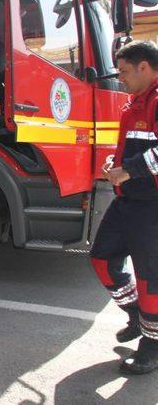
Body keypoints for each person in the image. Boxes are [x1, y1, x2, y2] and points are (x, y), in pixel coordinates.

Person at [90, 40, 158, 375]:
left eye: (125, 72)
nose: (121, 79)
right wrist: (112, 163)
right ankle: (136, 315)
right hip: (127, 198)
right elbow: (129, 149)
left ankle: (151, 346)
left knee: (150, 279)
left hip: (151, 204)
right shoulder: (134, 104)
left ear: (144, 67)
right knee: (101, 257)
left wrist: (129, 169)